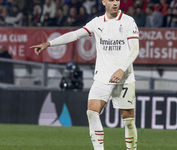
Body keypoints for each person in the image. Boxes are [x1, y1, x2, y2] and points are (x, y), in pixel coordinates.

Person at [30, 0, 139, 150]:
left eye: (117, 0)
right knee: (92, 112)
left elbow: (135, 50)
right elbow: (75, 35)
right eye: (111, 0)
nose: (115, 3)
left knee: (128, 120)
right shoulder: (97, 22)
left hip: (124, 77)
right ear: (104, 2)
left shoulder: (128, 21)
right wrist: (49, 44)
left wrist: (122, 69)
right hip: (103, 77)